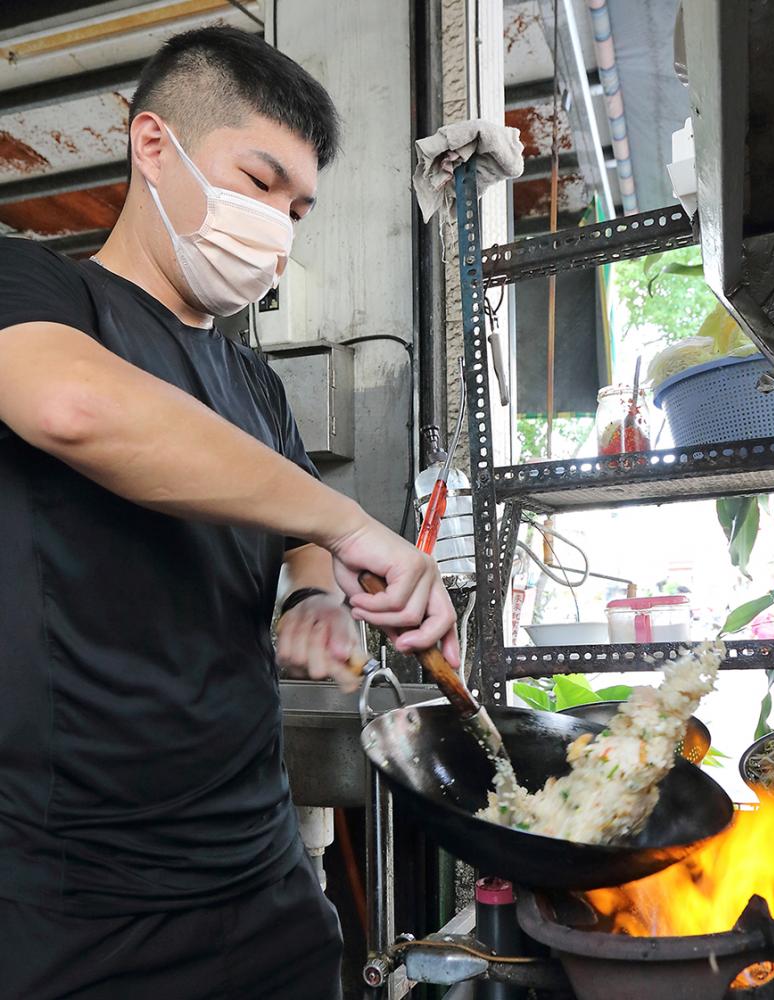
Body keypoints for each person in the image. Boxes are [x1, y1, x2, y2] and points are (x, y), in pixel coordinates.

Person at [0, 25, 458, 1000]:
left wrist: (308, 598)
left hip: (261, 876)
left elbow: (291, 533)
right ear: (154, 146)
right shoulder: (38, 288)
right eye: (256, 181)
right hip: (81, 904)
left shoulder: (252, 381)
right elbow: (69, 406)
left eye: (297, 206)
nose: (277, 225)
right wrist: (347, 521)